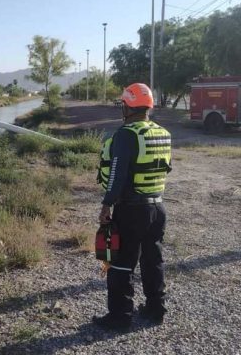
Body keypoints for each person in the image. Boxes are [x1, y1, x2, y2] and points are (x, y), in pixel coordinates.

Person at [93, 83, 172, 331]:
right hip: (157, 207)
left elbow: (117, 173)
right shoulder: (162, 132)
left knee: (121, 263)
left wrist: (107, 205)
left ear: (127, 106)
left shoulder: (126, 134)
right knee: (152, 261)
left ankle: (120, 317)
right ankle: (155, 309)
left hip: (132, 210)